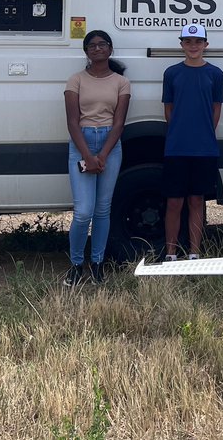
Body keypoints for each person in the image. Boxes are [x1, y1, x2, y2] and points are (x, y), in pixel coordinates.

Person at [64, 30, 131, 287]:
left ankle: (98, 264)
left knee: (103, 210)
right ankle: (76, 264)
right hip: (81, 143)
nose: (97, 48)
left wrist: (102, 155)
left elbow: (119, 123)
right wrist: (87, 156)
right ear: (86, 52)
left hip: (110, 145)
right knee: (83, 212)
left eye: (102, 44)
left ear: (110, 49)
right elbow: (72, 122)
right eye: (92, 45)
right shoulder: (76, 80)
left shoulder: (121, 82)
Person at [161, 24, 223, 260]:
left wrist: (204, 132)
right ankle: (170, 253)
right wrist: (180, 131)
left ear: (206, 45)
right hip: (176, 147)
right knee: (174, 201)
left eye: (198, 42)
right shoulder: (171, 73)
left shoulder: (216, 74)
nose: (193, 46)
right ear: (181, 45)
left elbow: (216, 109)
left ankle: (194, 253)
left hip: (205, 148)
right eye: (188, 42)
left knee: (197, 199)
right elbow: (169, 108)